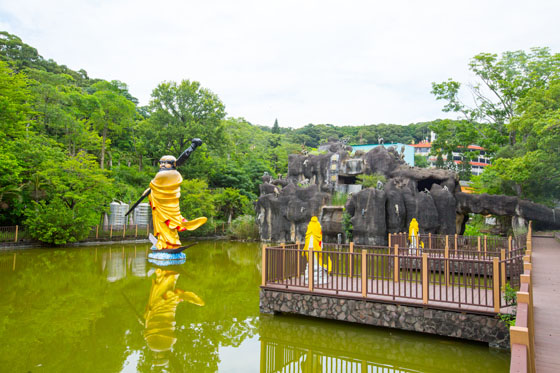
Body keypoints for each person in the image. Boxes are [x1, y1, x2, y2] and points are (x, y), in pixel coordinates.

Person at [148, 155, 207, 250]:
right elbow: (156, 187)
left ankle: (169, 244)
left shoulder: (164, 175)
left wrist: (151, 190)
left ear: (173, 164)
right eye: (161, 162)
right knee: (164, 224)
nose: (162, 165)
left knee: (168, 224)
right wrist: (151, 191)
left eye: (166, 163)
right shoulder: (174, 174)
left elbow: (154, 185)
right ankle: (163, 242)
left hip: (168, 205)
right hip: (161, 205)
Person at [303, 216, 332, 284]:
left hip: (309, 247)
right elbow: (320, 236)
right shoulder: (318, 225)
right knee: (317, 260)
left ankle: (310, 277)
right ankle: (316, 275)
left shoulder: (309, 225)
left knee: (312, 261)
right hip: (316, 246)